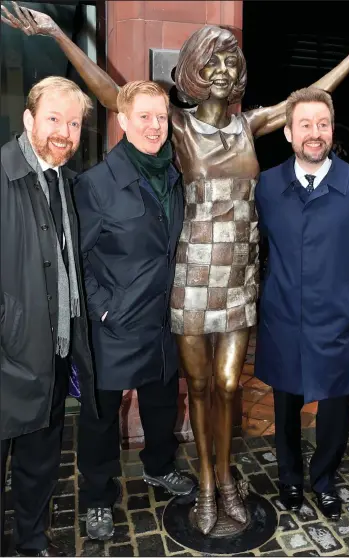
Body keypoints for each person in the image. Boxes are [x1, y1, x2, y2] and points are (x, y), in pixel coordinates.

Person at [2, 1, 349, 534]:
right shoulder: (177, 126)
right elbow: (112, 95)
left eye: (231, 62)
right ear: (194, 71)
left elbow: (302, 103)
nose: (224, 71)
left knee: (229, 386)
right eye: (213, 62)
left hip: (238, 284)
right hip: (190, 284)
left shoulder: (247, 125)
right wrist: (57, 36)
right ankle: (207, 486)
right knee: (202, 386)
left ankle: (225, 478)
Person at [254, 87, 349, 521]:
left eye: (323, 124)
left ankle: (325, 480)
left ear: (332, 130)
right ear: (289, 134)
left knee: (334, 410)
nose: (315, 133)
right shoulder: (268, 185)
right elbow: (255, 245)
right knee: (286, 406)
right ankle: (290, 478)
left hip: (336, 319)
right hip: (283, 319)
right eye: (305, 125)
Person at [73, 80, 194, 542]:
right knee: (101, 416)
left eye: (160, 117)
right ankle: (98, 496)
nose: (153, 126)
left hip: (163, 320)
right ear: (122, 121)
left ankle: (159, 467)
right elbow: (78, 259)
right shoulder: (96, 183)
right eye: (143, 116)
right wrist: (102, 310)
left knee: (162, 403)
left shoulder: (173, 174)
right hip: (115, 324)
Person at [1, 76, 96, 557]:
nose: (64, 131)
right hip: (6, 359)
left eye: (74, 122)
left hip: (52, 354)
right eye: (54, 119)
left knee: (39, 463)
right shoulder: (3, 175)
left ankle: (31, 543)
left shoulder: (63, 180)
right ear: (29, 120)